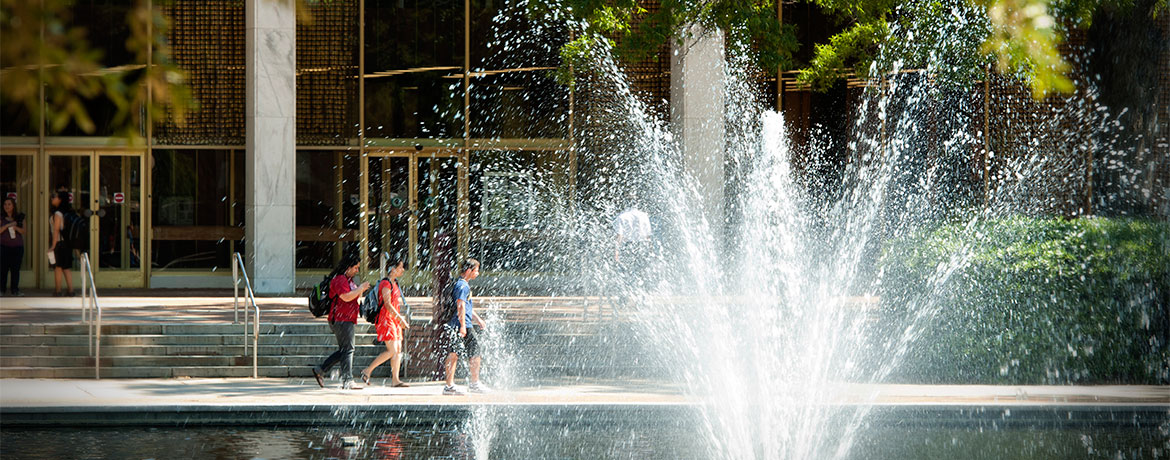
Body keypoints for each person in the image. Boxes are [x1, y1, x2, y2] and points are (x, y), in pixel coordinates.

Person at [311, 254, 370, 390]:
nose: (357, 270)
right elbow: (346, 297)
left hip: (345, 318)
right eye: (355, 268)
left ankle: (321, 369)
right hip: (341, 319)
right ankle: (347, 380)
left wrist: (359, 290)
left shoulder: (348, 280)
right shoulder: (339, 280)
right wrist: (360, 288)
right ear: (348, 267)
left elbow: (354, 296)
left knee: (345, 350)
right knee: (348, 349)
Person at [360, 258, 411, 387]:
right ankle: (367, 370)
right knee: (392, 350)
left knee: (398, 350)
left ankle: (395, 380)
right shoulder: (385, 283)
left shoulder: (395, 283)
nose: (403, 270)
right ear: (392, 269)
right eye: (400, 267)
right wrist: (401, 319)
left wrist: (398, 319)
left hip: (394, 319)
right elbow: (387, 304)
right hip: (386, 319)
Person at [441, 258, 488, 395]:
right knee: (472, 351)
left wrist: (478, 319)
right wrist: (462, 326)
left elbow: (466, 306)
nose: (477, 273)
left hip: (460, 323)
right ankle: (472, 384)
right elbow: (460, 305)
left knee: (454, 353)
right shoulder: (463, 286)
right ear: (469, 271)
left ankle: (451, 386)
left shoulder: (460, 283)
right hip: (461, 324)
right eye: (476, 270)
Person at [611, 204, 652, 316]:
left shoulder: (622, 216)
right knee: (642, 275)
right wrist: (650, 250)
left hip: (628, 247)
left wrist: (616, 251)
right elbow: (648, 236)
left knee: (624, 274)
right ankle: (642, 301)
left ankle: (623, 300)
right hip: (641, 246)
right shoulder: (644, 216)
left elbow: (619, 235)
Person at [49, 191, 74, 297]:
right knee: (66, 267)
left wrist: (53, 245)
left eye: (54, 197)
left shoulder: (58, 214)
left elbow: (56, 230)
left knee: (58, 267)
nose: (52, 199)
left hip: (60, 243)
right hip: (67, 243)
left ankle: (58, 290)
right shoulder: (68, 212)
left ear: (60, 199)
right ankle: (71, 290)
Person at [1, 197, 26, 296]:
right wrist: (8, 225)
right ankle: (2, 289)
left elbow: (24, 231)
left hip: (17, 247)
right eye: (5, 204)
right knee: (3, 269)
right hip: (4, 247)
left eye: (9, 204)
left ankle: (15, 290)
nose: (6, 206)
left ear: (13, 206)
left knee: (15, 269)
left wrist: (16, 227)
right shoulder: (2, 217)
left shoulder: (20, 217)